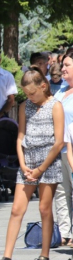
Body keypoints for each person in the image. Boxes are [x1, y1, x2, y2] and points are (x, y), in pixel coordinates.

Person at [0, 67, 64, 260]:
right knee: (16, 209)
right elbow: (20, 136)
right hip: (28, 161)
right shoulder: (24, 107)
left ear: (43, 86)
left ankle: (44, 256)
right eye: (26, 94)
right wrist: (22, 164)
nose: (29, 97)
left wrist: (40, 169)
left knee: (44, 209)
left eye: (32, 93)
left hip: (48, 162)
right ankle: (6, 257)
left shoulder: (55, 106)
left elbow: (58, 143)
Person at [52, 51, 73, 246]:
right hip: (59, 150)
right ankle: (65, 233)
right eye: (62, 65)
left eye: (67, 65)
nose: (63, 69)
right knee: (61, 191)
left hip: (72, 150)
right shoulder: (60, 90)